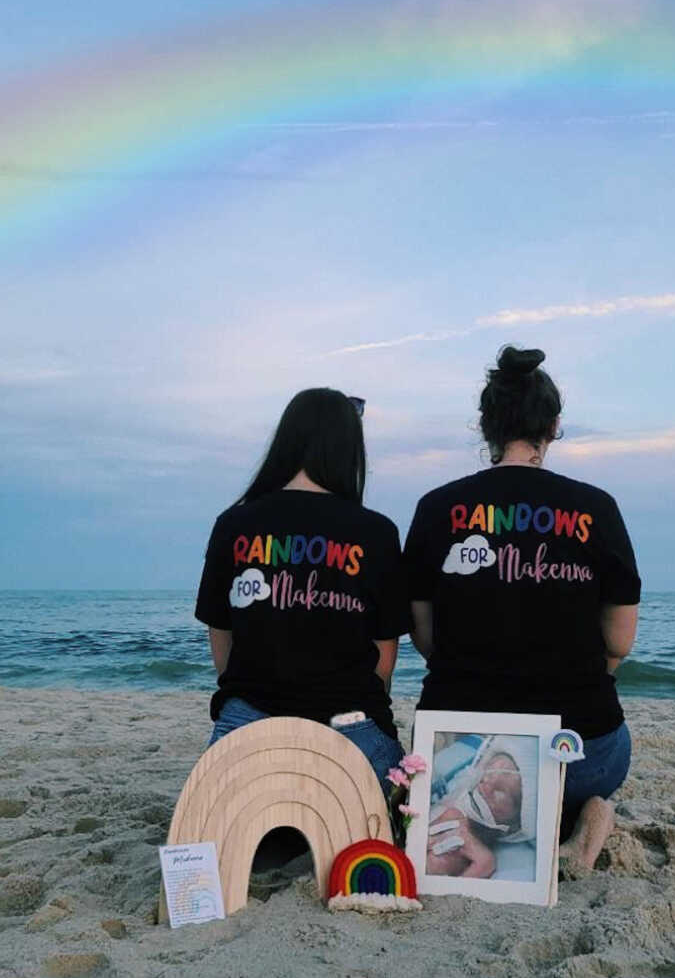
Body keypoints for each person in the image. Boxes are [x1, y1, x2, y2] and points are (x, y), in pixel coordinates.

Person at [404, 347, 640, 874]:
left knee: (457, 795)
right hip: (579, 751)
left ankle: (522, 823)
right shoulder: (595, 507)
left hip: (453, 735)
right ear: (553, 426)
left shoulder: (436, 507)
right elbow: (620, 641)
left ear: (486, 426)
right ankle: (575, 813)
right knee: (588, 762)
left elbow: (425, 637)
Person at [195, 388, 407, 788]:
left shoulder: (234, 524)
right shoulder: (376, 531)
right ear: (349, 450)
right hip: (350, 723)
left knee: (213, 825)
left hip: (247, 720)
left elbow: (220, 633)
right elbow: (384, 655)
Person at [426, 735, 538, 879]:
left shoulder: (484, 859)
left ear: (516, 826)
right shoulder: (451, 811)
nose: (486, 785)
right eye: (487, 775)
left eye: (501, 791)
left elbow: (462, 887)